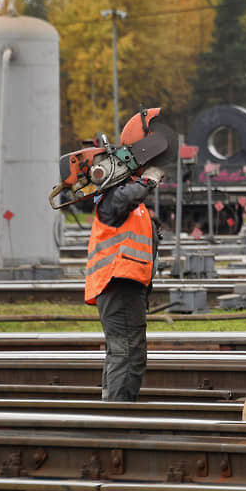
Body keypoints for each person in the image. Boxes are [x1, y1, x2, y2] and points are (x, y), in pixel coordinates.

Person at [84, 115, 167, 402]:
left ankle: (112, 409)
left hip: (123, 285)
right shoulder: (111, 199)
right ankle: (117, 416)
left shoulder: (130, 204)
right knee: (127, 352)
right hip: (117, 282)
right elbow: (122, 200)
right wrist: (148, 180)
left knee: (123, 350)